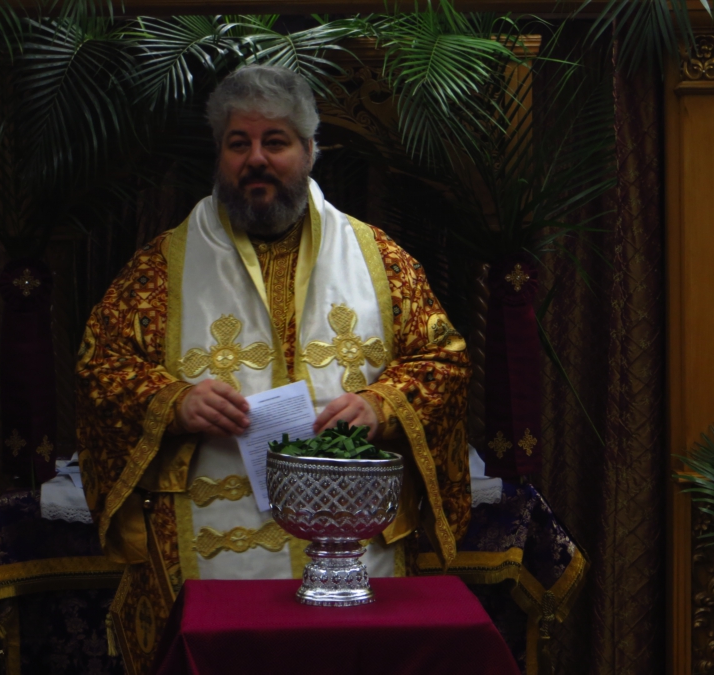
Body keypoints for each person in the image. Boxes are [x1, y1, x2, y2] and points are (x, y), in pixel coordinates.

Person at [75, 64, 471, 673]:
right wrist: (171, 401)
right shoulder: (161, 268)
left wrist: (383, 403)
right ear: (220, 154)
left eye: (275, 142)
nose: (256, 159)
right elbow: (100, 364)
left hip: (355, 555)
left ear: (310, 150)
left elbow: (444, 357)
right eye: (239, 143)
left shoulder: (381, 260)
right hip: (207, 559)